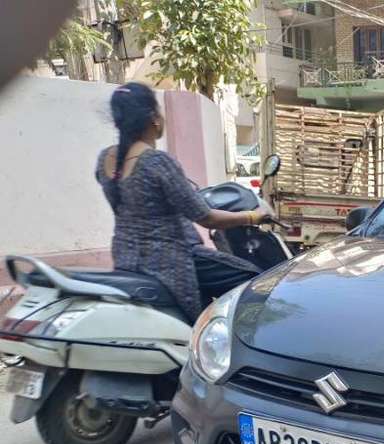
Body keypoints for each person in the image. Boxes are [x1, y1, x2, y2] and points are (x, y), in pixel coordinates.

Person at [95, 82, 265, 323]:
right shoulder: (156, 162)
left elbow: (122, 207)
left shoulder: (105, 160)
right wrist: (253, 216)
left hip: (125, 257)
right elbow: (206, 217)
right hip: (171, 259)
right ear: (154, 118)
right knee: (255, 283)